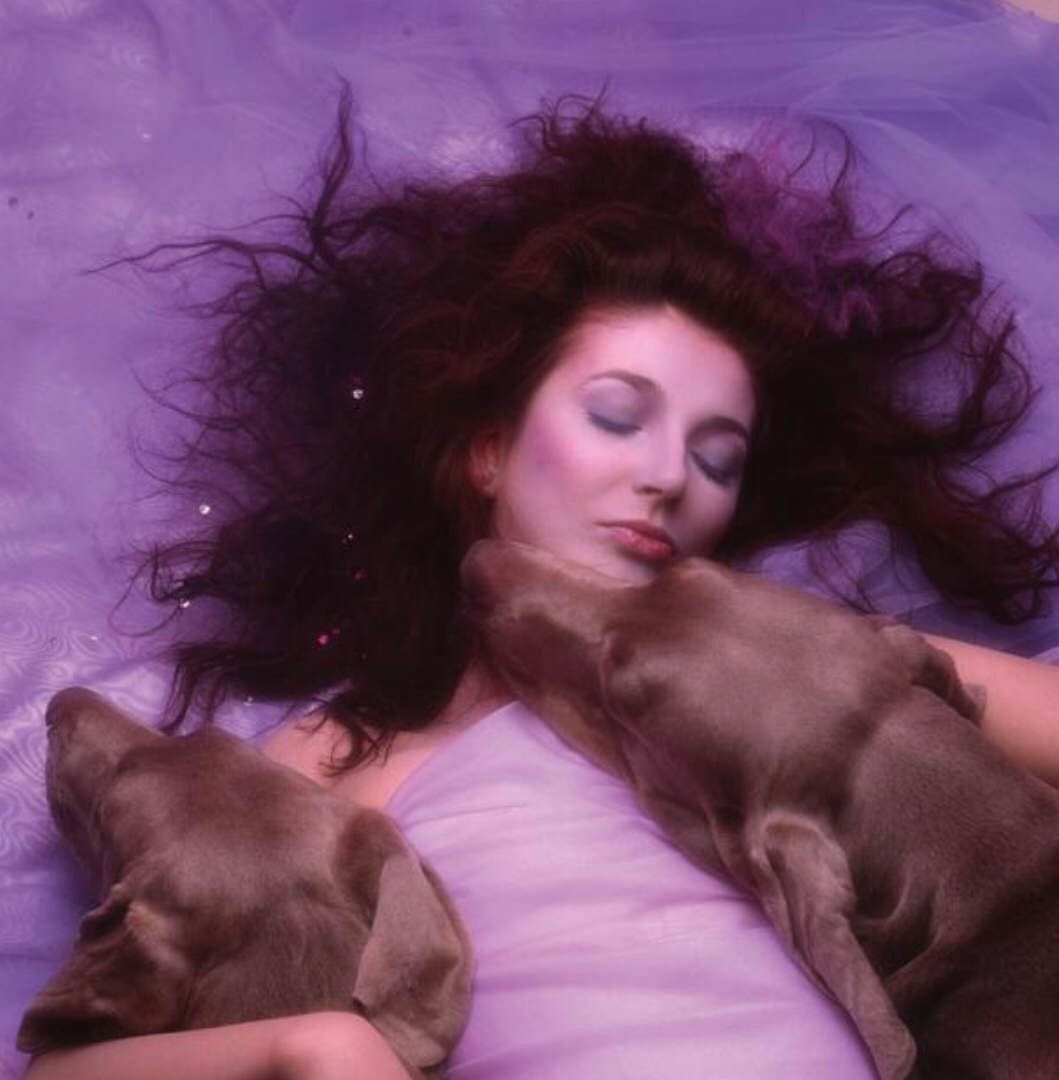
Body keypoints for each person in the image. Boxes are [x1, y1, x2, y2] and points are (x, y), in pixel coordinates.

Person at [25, 88, 1059, 1079]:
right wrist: (313, 1051)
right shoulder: (346, 750)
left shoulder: (789, 663)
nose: (668, 475)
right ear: (488, 450)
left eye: (718, 456)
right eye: (617, 416)